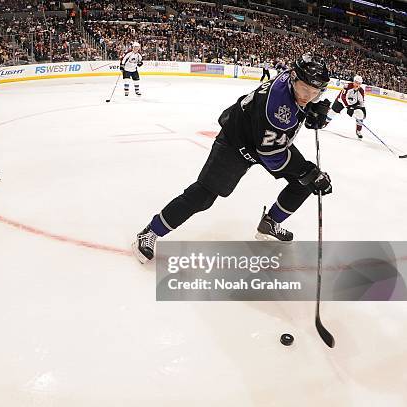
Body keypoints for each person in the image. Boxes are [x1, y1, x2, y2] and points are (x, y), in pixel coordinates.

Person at [132, 54, 333, 263]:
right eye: (304, 90)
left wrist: (310, 110)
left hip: (263, 140)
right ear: (293, 77)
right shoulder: (277, 109)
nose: (307, 95)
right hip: (236, 143)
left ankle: (270, 223)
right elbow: (272, 155)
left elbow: (289, 119)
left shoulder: (293, 80)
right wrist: (307, 170)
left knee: (306, 181)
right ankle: (151, 232)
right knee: (203, 195)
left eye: (314, 92)